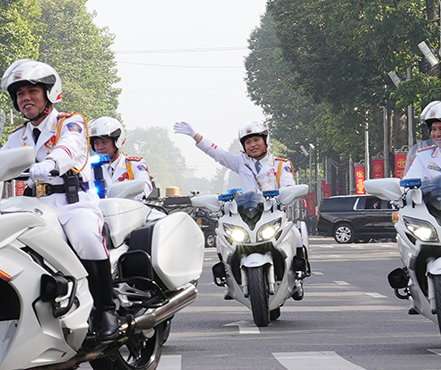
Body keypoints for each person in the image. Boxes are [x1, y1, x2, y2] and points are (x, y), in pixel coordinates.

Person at [0, 59, 123, 340]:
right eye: (19, 94)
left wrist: (51, 162)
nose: (25, 98)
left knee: (86, 238)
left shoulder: (71, 122)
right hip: (33, 207)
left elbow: (70, 148)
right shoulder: (18, 136)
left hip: (73, 203)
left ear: (49, 93)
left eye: (32, 91)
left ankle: (105, 309)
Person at [173, 113, 313, 278]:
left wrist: (286, 194)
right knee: (221, 238)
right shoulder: (241, 162)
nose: (253, 145)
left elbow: (289, 185)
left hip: (275, 213)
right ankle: (226, 276)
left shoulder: (281, 164)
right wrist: (195, 135)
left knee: (296, 234)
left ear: (265, 141)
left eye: (256, 140)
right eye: (248, 142)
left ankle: (298, 274)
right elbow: (217, 153)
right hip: (248, 215)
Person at [88, 117, 153, 198]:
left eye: (104, 142)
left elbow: (145, 185)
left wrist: (130, 197)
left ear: (117, 141)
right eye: (96, 143)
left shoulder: (133, 165)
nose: (100, 147)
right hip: (100, 209)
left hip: (129, 208)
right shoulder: (89, 169)